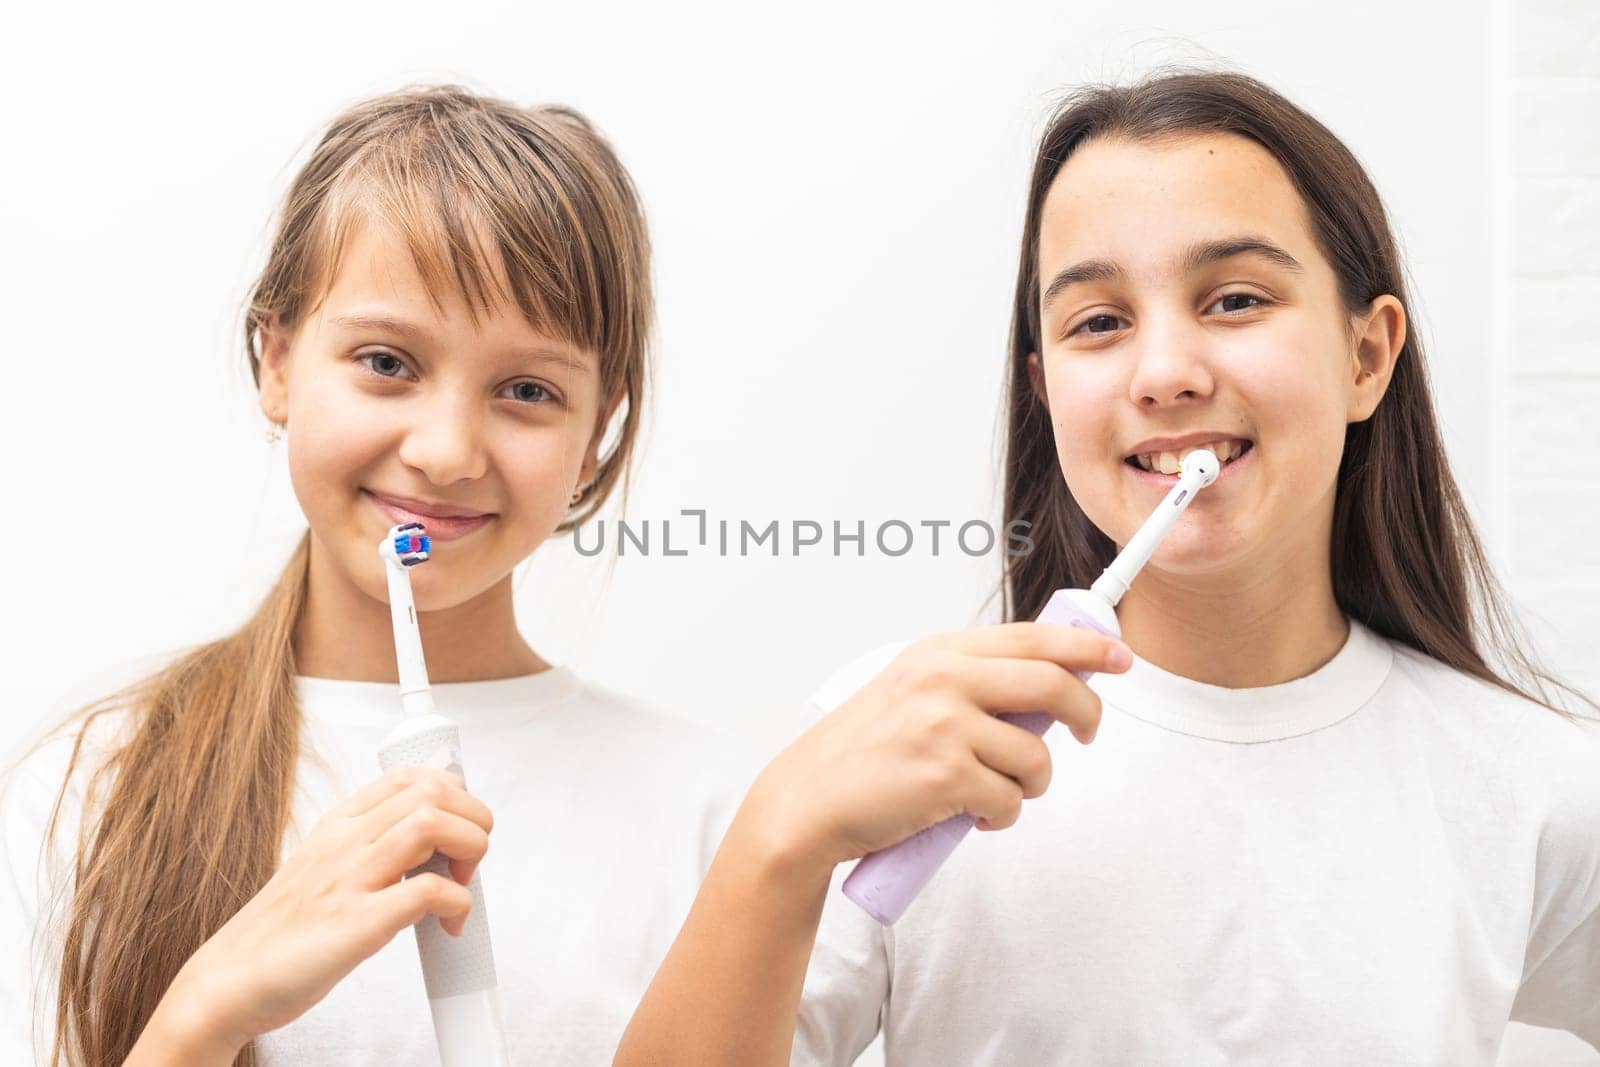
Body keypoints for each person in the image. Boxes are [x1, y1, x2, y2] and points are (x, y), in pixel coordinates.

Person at [616, 69, 1600, 1065]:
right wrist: (775, 839)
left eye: (1234, 298)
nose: (1165, 370)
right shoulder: (903, 739)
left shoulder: (1525, 786)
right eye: (1098, 320)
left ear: (1365, 355)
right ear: (1045, 391)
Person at [0, 83, 751, 1066]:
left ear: (597, 427)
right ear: (277, 359)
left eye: (527, 390)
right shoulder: (94, 783)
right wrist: (204, 1010)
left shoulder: (717, 817)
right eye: (387, 361)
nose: (444, 451)